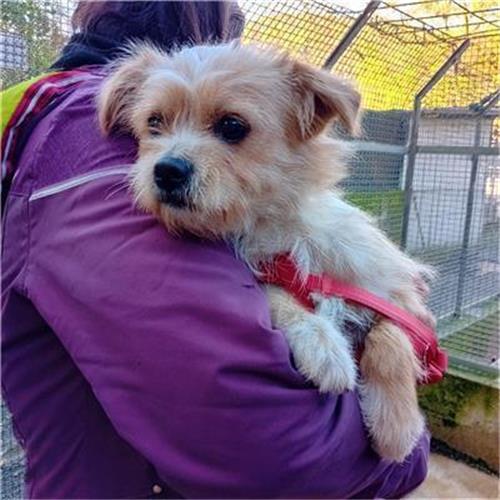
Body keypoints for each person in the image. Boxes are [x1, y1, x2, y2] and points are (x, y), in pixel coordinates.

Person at [1, 1, 430, 498]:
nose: (171, 158)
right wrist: (411, 461)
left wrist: (389, 354)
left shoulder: (41, 116)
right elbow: (276, 454)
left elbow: (404, 309)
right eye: (155, 126)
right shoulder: (85, 140)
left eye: (230, 128)